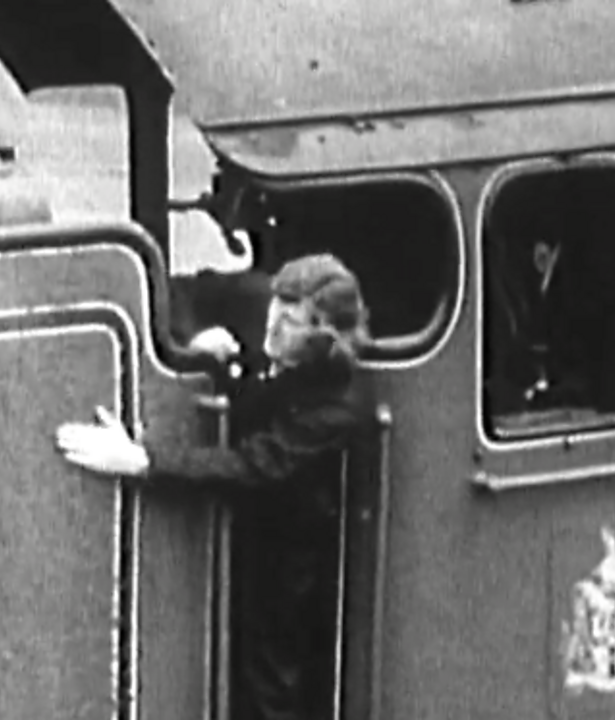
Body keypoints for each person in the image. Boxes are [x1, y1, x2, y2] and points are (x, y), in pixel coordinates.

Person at [56, 253, 376, 720]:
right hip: (244, 537)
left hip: (286, 565)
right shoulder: (261, 312)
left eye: (290, 321)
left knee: (269, 688)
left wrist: (144, 460)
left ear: (324, 337)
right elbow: (180, 294)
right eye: (275, 307)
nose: (272, 324)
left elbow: (254, 464)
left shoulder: (340, 409)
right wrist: (194, 349)